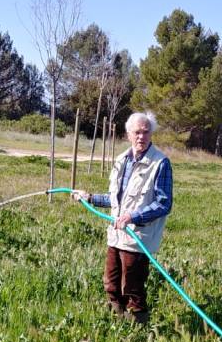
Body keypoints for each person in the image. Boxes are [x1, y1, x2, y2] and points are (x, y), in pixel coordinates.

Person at [72, 111, 173, 324]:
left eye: (146, 132)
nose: (141, 137)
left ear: (151, 134)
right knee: (111, 283)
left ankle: (139, 327)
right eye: (137, 132)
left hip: (138, 238)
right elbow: (115, 199)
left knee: (132, 288)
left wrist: (133, 216)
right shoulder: (121, 160)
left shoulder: (160, 163)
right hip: (116, 235)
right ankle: (116, 322)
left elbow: (163, 204)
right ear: (128, 134)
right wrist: (89, 197)